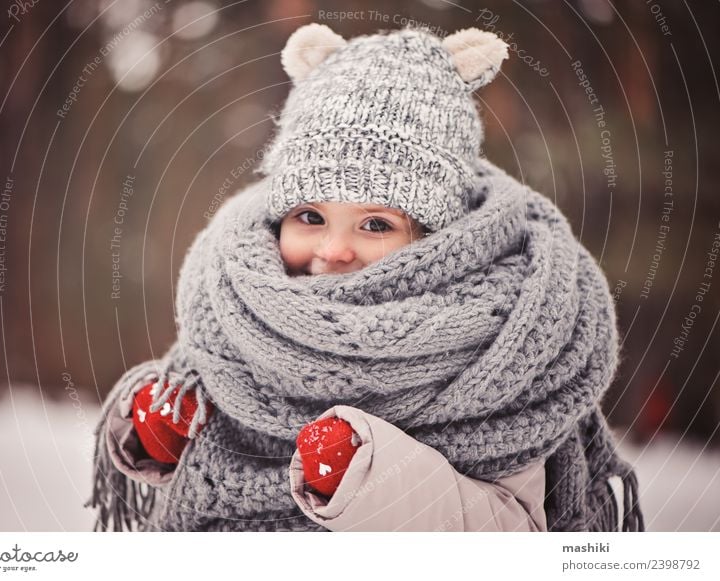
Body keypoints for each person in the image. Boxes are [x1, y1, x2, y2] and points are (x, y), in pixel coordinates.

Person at [88, 23, 643, 533]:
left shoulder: (508, 346)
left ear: (436, 237)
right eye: (310, 217)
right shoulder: (240, 305)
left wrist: (372, 474)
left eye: (376, 223)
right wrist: (162, 438)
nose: (333, 250)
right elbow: (208, 432)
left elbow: (513, 531)